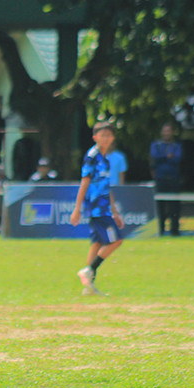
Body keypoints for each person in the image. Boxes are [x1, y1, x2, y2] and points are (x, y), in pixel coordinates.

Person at [70, 121, 125, 296]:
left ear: (113, 138)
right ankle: (89, 270)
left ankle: (88, 287)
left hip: (104, 208)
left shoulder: (106, 159)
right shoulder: (92, 156)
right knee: (116, 240)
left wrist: (115, 211)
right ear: (95, 137)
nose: (106, 138)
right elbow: (84, 182)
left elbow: (105, 187)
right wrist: (77, 208)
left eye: (109, 135)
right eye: (102, 135)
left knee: (96, 244)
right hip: (96, 208)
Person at [150, 122, 183, 236]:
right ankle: (160, 229)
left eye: (169, 131)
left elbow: (177, 159)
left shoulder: (176, 146)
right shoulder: (157, 145)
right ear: (161, 132)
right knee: (160, 205)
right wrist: (167, 157)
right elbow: (155, 157)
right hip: (161, 179)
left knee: (174, 205)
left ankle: (175, 230)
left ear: (172, 132)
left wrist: (162, 158)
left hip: (173, 178)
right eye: (165, 131)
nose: (167, 133)